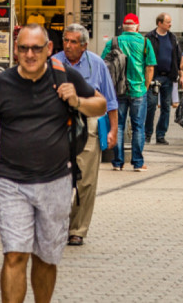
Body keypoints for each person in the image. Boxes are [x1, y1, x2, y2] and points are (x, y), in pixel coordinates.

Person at [0, 24, 105, 303]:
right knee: (15, 254)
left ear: (48, 50)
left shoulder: (64, 76)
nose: (29, 54)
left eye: (36, 48)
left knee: (45, 257)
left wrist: (76, 100)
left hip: (55, 183)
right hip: (11, 183)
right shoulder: (1, 83)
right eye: (23, 48)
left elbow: (101, 104)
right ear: (16, 51)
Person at [52, 24, 118, 247]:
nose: (68, 46)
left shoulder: (97, 63)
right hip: (58, 124)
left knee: (86, 182)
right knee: (58, 180)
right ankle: (57, 225)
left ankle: (77, 230)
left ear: (84, 45)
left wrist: (113, 130)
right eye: (66, 40)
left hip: (88, 121)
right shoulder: (53, 62)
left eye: (73, 42)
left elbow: (109, 101)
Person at [101, 14, 155, 172]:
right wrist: (145, 86)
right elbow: (150, 67)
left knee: (118, 124)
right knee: (138, 126)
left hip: (118, 90)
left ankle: (117, 162)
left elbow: (102, 62)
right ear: (137, 27)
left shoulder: (113, 42)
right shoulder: (145, 42)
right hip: (138, 89)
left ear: (123, 27)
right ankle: (138, 163)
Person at [145, 13, 181, 145]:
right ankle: (147, 134)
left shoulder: (172, 38)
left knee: (166, 106)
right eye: (167, 22)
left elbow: (177, 56)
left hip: (168, 77)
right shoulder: (149, 37)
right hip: (154, 76)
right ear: (159, 23)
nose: (170, 24)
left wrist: (179, 73)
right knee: (151, 105)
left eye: (170, 22)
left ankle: (161, 135)